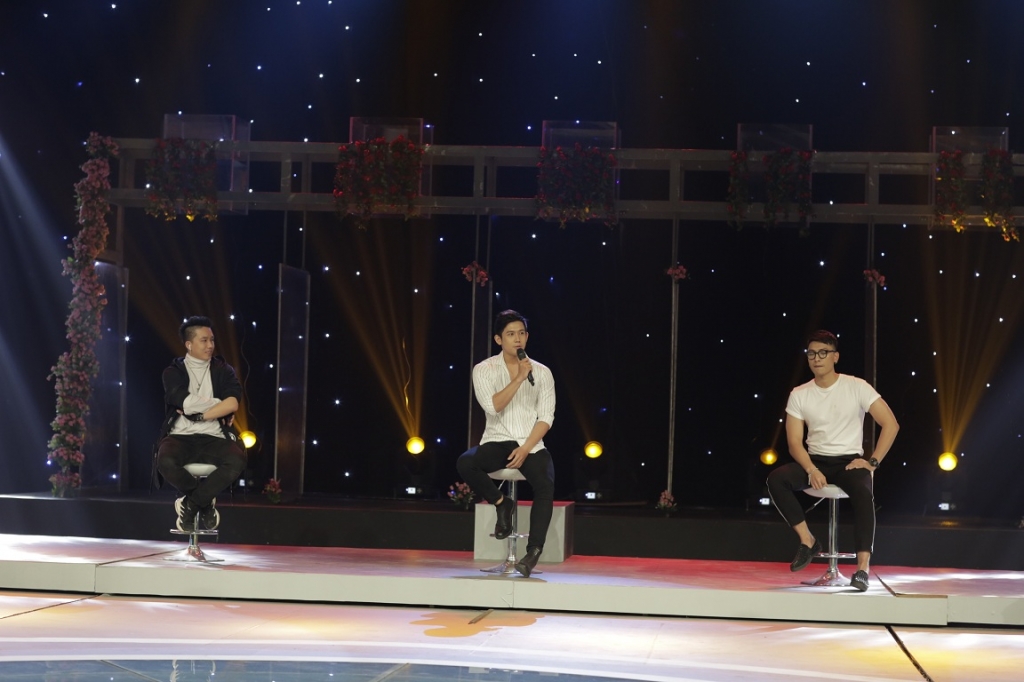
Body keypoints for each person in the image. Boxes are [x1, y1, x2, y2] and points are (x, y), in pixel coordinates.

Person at [767, 329, 899, 592]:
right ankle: (808, 541)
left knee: (863, 491)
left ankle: (862, 569)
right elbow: (794, 443)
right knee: (776, 479)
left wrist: (872, 462)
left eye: (823, 353)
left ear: (835, 357)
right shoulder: (800, 393)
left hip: (849, 462)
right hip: (814, 460)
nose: (816, 358)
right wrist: (811, 469)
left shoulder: (856, 386)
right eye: (811, 354)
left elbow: (891, 424)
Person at [456, 310, 556, 577]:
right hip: (497, 439)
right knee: (466, 462)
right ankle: (502, 502)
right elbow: (493, 406)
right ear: (498, 339)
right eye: (511, 334)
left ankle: (533, 552)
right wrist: (519, 378)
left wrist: (526, 448)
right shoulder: (484, 369)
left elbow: (546, 417)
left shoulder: (543, 372)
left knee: (545, 484)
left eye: (521, 333)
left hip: (530, 442)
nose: (517, 339)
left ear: (527, 337)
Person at [156, 316, 246, 533]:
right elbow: (183, 401)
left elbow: (233, 403)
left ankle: (191, 504)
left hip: (214, 436)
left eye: (212, 340)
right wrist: (218, 405)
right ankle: (205, 502)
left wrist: (200, 415)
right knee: (165, 460)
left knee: (237, 459)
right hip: (180, 436)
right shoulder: (173, 372)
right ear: (189, 344)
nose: (210, 345)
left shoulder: (224, 370)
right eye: (204, 340)